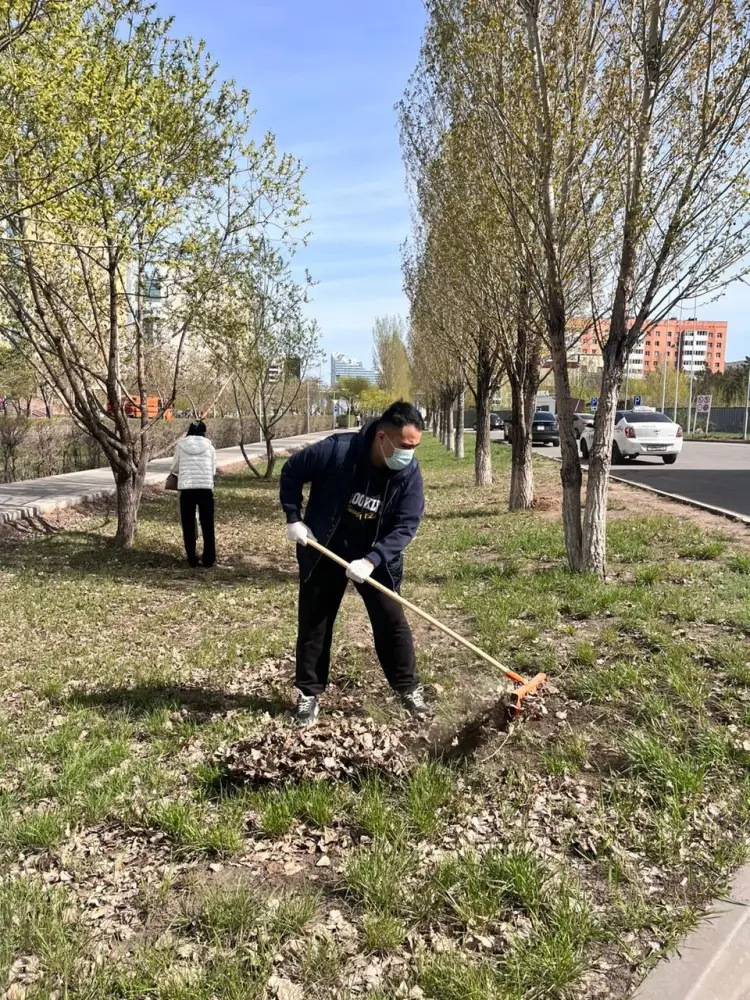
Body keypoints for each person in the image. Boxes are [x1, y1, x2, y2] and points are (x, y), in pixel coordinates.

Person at [280, 400, 427, 725]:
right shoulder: (337, 451)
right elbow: (291, 471)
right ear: (382, 438)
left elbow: (407, 524)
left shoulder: (408, 472)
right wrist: (294, 517)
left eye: (415, 447)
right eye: (405, 445)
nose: (409, 454)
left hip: (374, 560)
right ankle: (308, 694)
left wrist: (373, 560)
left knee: (392, 623)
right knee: (315, 622)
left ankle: (408, 689)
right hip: (325, 551)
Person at [170, 420, 217, 568]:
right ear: (204, 432)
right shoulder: (210, 447)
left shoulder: (181, 446)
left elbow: (175, 467)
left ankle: (191, 557)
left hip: (187, 489)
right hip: (205, 489)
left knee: (188, 523)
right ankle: (209, 558)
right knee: (207, 524)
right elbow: (213, 470)